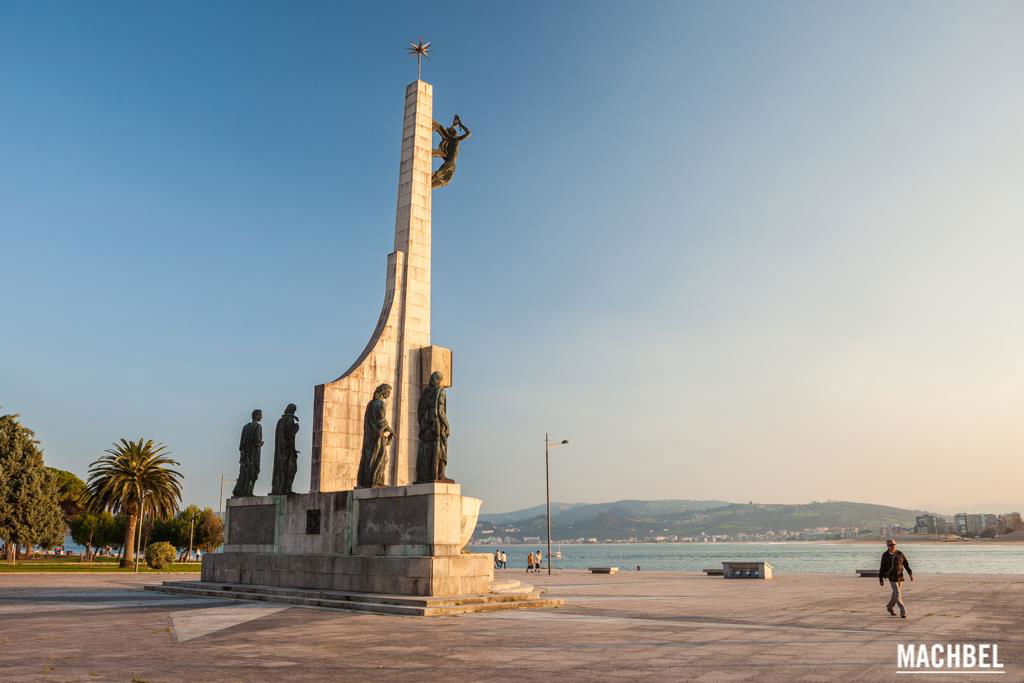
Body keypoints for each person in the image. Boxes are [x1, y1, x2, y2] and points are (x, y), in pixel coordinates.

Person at [879, 539, 914, 617]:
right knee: (898, 593)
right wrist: (881, 579)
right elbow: (882, 567)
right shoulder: (885, 555)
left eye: (894, 544)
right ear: (887, 546)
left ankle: (889, 607)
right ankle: (903, 611)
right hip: (892, 577)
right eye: (890, 545)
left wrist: (910, 574)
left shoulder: (899, 553)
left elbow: (906, 564)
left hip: (900, 577)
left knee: (895, 594)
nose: (892, 546)